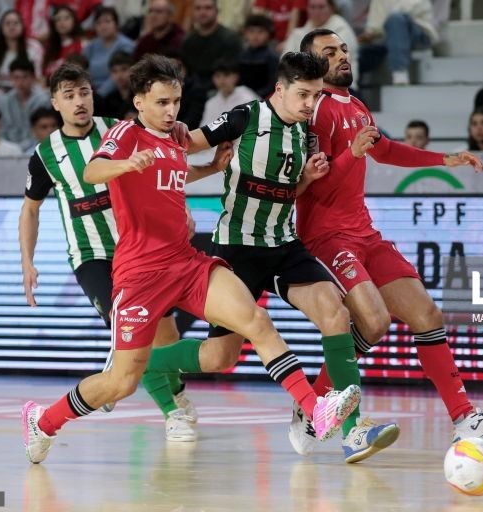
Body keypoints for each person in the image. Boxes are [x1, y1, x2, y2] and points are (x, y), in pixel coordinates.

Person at [21, 54, 362, 463]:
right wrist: (125, 164)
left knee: (256, 321)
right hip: (140, 274)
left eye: (176, 102)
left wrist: (209, 167)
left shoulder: (174, 137)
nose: (171, 111)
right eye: (162, 102)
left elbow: (172, 173)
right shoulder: (126, 134)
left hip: (186, 262)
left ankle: (315, 410)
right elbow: (94, 171)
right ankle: (43, 421)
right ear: (141, 101)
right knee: (121, 382)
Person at [154, 51, 400, 462]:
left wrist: (306, 180)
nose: (310, 104)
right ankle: (147, 363)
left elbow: (288, 193)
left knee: (336, 314)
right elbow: (181, 146)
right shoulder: (245, 117)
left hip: (284, 245)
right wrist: (171, 131)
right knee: (220, 357)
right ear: (280, 89)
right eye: (303, 94)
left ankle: (354, 428)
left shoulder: (306, 134)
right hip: (237, 250)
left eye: (316, 95)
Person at [298, 28, 483, 447]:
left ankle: (464, 419)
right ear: (311, 65)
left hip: (364, 232)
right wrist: (352, 155)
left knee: (427, 314)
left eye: (344, 49)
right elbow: (309, 186)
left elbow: (387, 150)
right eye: (330, 52)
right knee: (374, 321)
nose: (342, 56)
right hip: (327, 237)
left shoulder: (357, 106)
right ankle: (318, 411)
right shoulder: (316, 112)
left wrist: (444, 159)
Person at [19, 62, 192, 426]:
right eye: (69, 96)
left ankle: (169, 389)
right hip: (91, 255)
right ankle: (170, 412)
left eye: (84, 92)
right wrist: (27, 262)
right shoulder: (46, 154)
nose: (79, 102)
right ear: (55, 103)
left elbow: (165, 168)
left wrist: (183, 212)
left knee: (167, 333)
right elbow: (30, 210)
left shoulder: (120, 129)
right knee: (127, 324)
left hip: (141, 249)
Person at [83, 6, 136, 97]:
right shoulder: (90, 46)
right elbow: (82, 69)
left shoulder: (126, 45)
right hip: (91, 91)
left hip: (116, 93)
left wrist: (99, 95)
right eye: (98, 23)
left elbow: (121, 76)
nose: (103, 26)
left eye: (107, 21)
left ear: (116, 24)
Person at [0, 57, 50, 151]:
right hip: (9, 149)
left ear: (33, 78)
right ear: (11, 78)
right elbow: (2, 130)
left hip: (35, 147)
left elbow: (42, 132)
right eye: (16, 78)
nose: (20, 82)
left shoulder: (43, 100)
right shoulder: (4, 101)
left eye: (25, 77)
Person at [0, 9, 44, 91]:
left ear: (22, 26)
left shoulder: (34, 47)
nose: (12, 26)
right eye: (7, 23)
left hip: (26, 93)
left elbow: (39, 79)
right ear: (1, 28)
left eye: (16, 23)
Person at [199, 59, 258, 127]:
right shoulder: (210, 103)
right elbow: (204, 129)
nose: (222, 80)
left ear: (236, 76)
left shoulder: (247, 97)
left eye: (226, 75)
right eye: (218, 76)